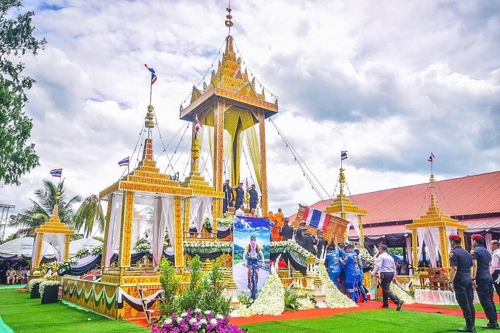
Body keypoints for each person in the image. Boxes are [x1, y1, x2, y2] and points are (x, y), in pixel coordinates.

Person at [448, 234, 475, 332]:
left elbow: (454, 268)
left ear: (452, 242)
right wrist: (472, 279)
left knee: (464, 302)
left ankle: (470, 326)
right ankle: (472, 324)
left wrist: (450, 281)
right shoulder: (467, 252)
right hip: (468, 277)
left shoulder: (453, 253)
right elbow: (471, 267)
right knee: (470, 302)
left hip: (460, 278)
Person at [471, 234, 498, 329]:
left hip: (481, 277)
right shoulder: (487, 251)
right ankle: (494, 320)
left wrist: (473, 278)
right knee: (490, 300)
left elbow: (474, 265)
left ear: (474, 241)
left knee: (485, 300)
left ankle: (493, 322)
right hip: (488, 276)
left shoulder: (475, 251)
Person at [371, 244, 403, 310]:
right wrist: (394, 276)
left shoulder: (381, 256)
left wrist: (373, 273)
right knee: (385, 288)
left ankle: (397, 301)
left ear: (382, 249)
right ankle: (385, 304)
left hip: (385, 273)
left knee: (386, 290)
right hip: (391, 273)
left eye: (379, 248)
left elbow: (378, 266)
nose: (379, 249)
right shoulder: (390, 257)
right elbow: (394, 268)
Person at [490, 239, 500, 307]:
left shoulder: (495, 253)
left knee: (499, 290)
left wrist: (489, 273)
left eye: (491, 244)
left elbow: (494, 265)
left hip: (497, 272)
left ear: (496, 245)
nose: (490, 246)